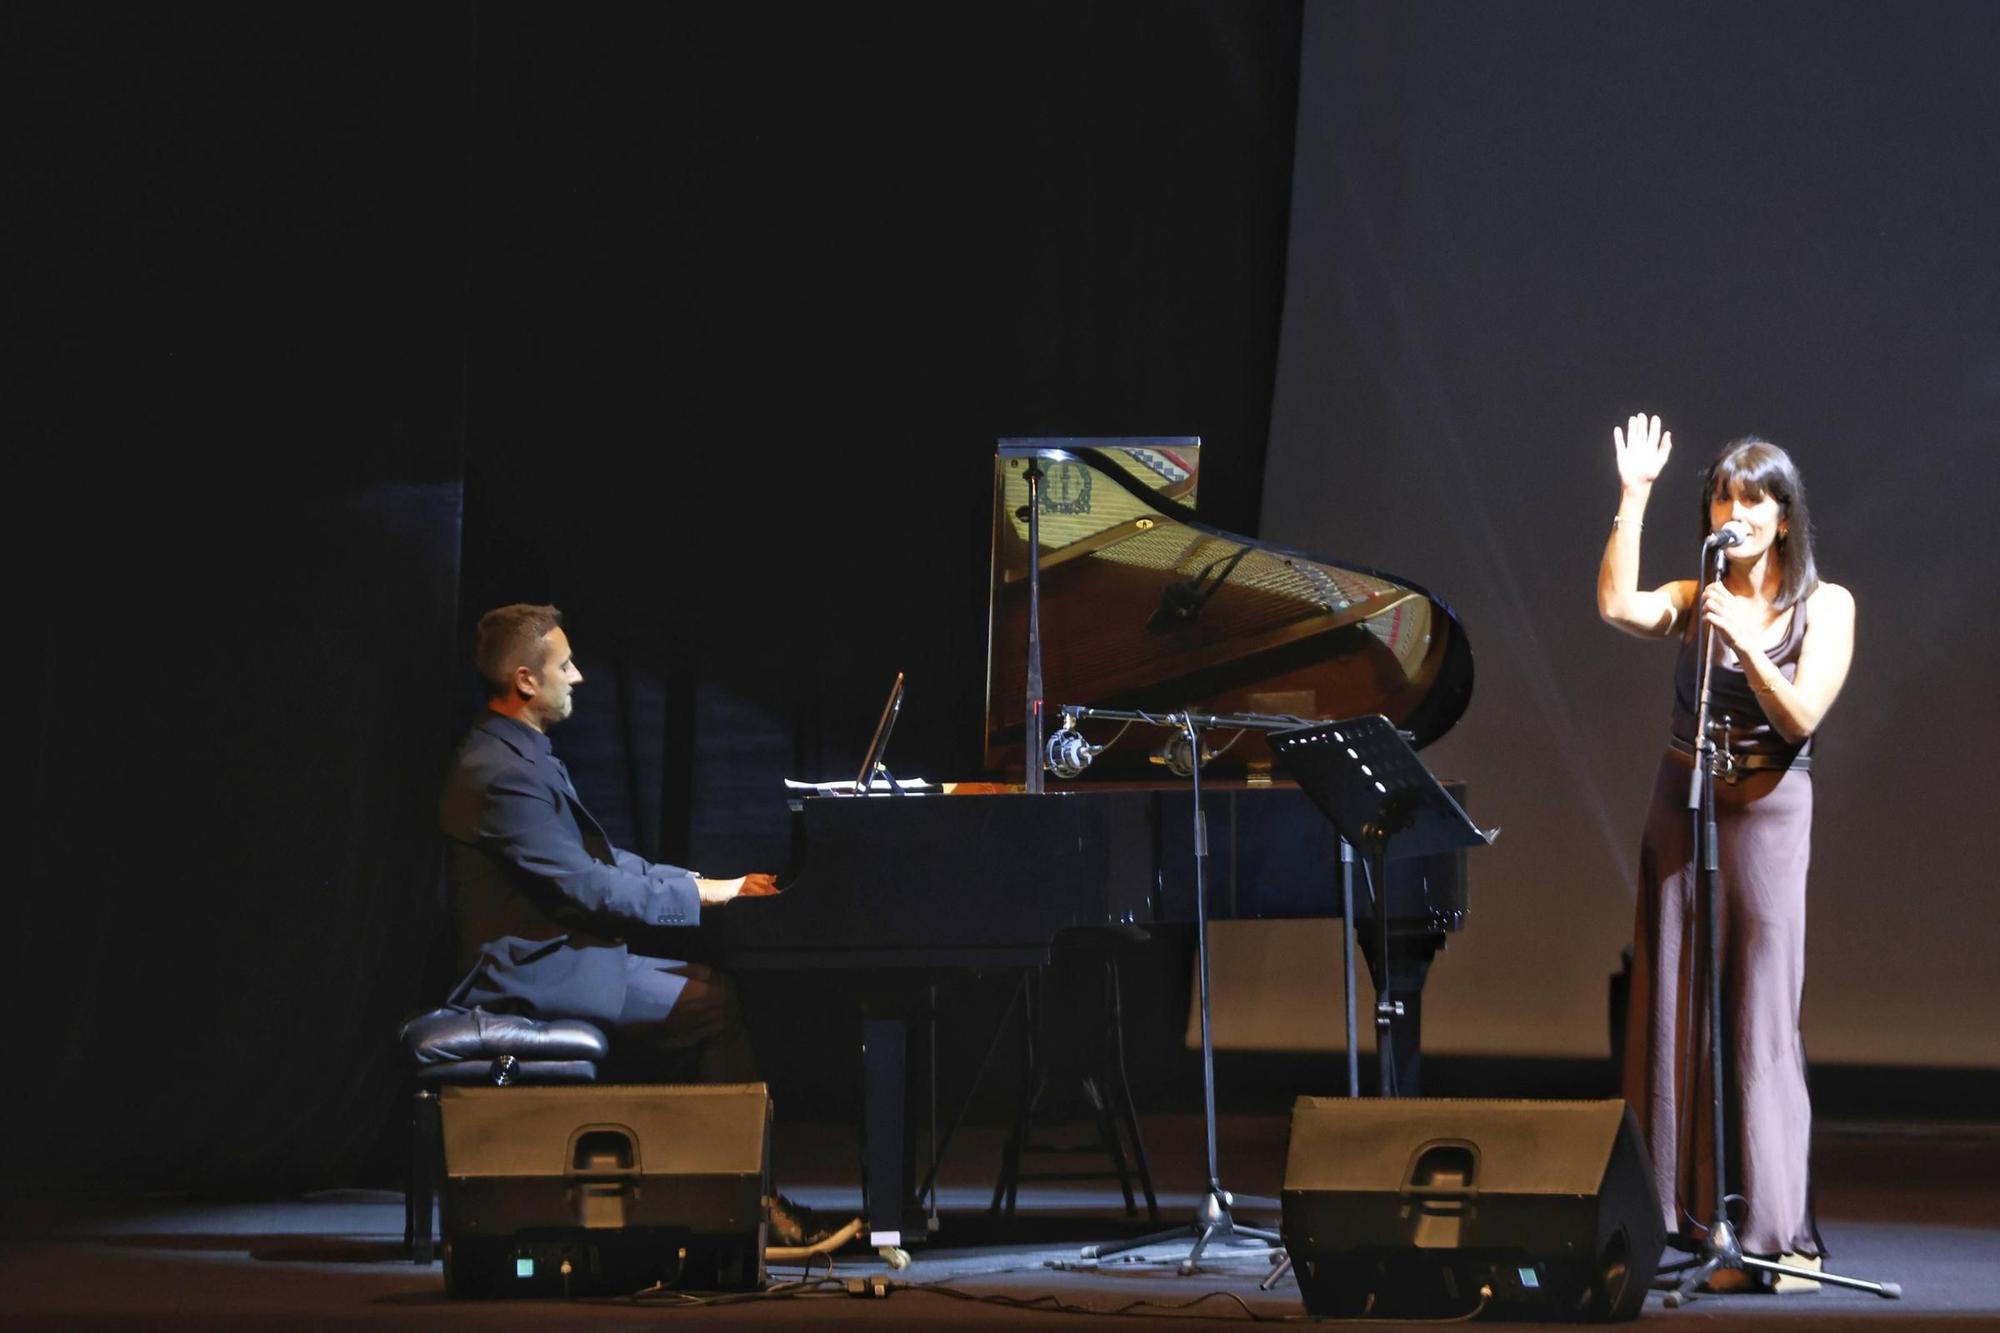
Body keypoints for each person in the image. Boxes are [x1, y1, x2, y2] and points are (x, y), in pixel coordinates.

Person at [1596, 413, 1855, 1283]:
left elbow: (1801, 715)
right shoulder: (1694, 594)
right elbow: (1617, 606)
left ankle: (1778, 1233)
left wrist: (1744, 635)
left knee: (1758, 1018)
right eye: (1720, 499)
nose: (1732, 514)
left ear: (1783, 518)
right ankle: (1694, 1220)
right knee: (1678, 1004)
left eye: (1751, 501)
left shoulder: (1826, 606)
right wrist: (1634, 496)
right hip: (1683, 805)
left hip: (1768, 814)